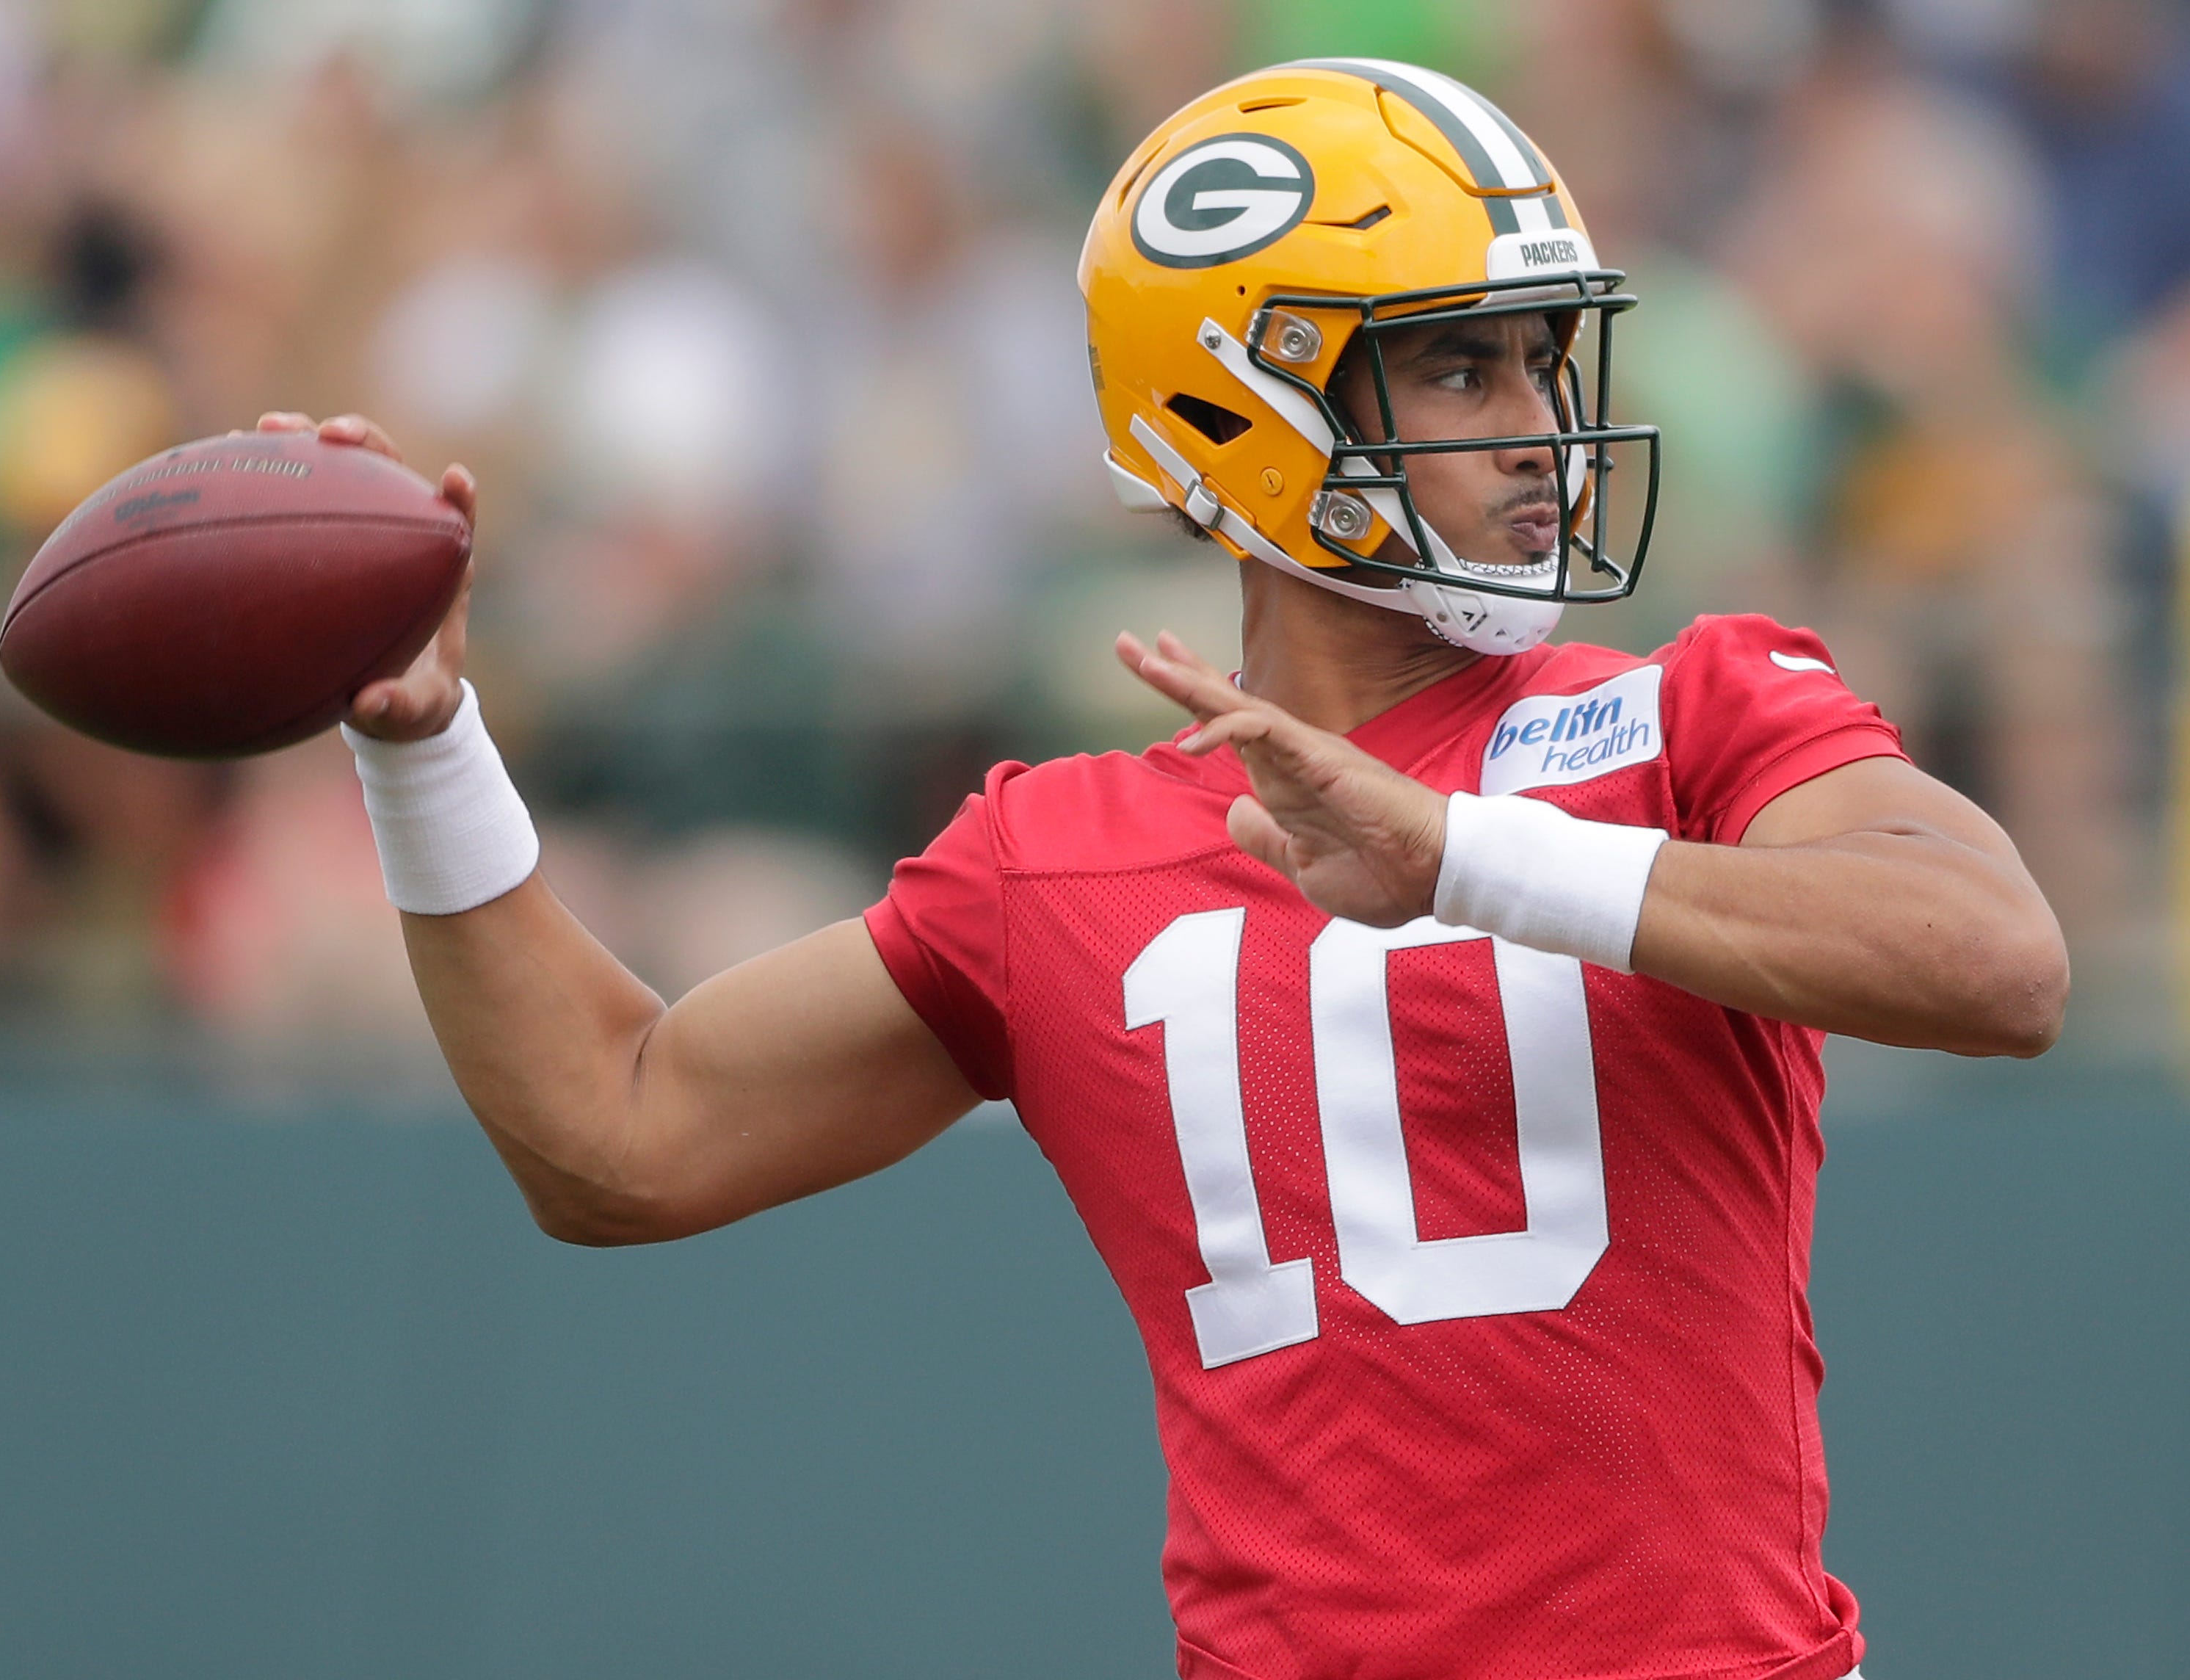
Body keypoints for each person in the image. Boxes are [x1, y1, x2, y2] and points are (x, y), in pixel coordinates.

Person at [276, 59, 2065, 1680]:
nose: (1536, 422)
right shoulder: (1055, 858)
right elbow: (618, 1135)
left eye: (1541, 356)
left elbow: (1997, 961)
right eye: (1462, 363)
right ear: (1243, 406)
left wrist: (1463, 857)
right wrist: (425, 747)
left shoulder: (1692, 710)